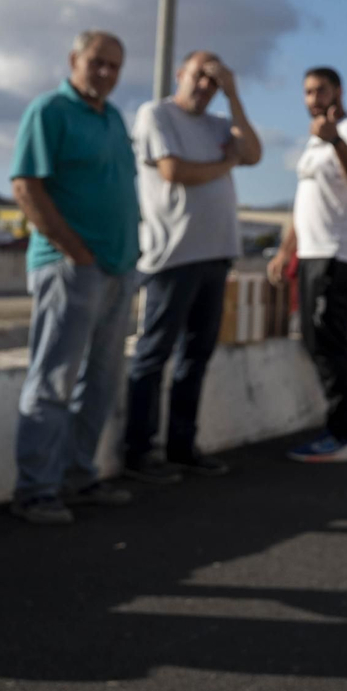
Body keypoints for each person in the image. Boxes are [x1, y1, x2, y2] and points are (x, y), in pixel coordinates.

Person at [9, 30, 140, 525]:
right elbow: (26, 186)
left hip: (118, 267)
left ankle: (78, 476)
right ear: (74, 60)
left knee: (102, 381)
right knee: (53, 378)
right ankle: (36, 488)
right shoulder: (49, 111)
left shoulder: (113, 118)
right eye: (97, 62)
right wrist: (75, 251)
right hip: (71, 269)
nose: (105, 73)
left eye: (114, 66)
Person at [123, 51, 262, 483]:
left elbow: (253, 153)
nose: (205, 86)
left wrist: (235, 95)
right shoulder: (156, 114)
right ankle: (138, 452)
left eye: (214, 82)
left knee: (196, 357)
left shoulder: (220, 124)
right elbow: (174, 170)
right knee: (153, 353)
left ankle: (182, 446)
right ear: (180, 74)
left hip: (216, 254)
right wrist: (225, 165)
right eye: (199, 76)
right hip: (173, 257)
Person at [276, 67, 347, 464]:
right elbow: (305, 200)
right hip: (312, 251)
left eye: (320, 90)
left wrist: (334, 139)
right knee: (316, 336)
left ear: (338, 90)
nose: (313, 98)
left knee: (324, 337)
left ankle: (342, 432)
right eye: (307, 91)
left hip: (339, 252)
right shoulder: (314, 141)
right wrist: (287, 248)